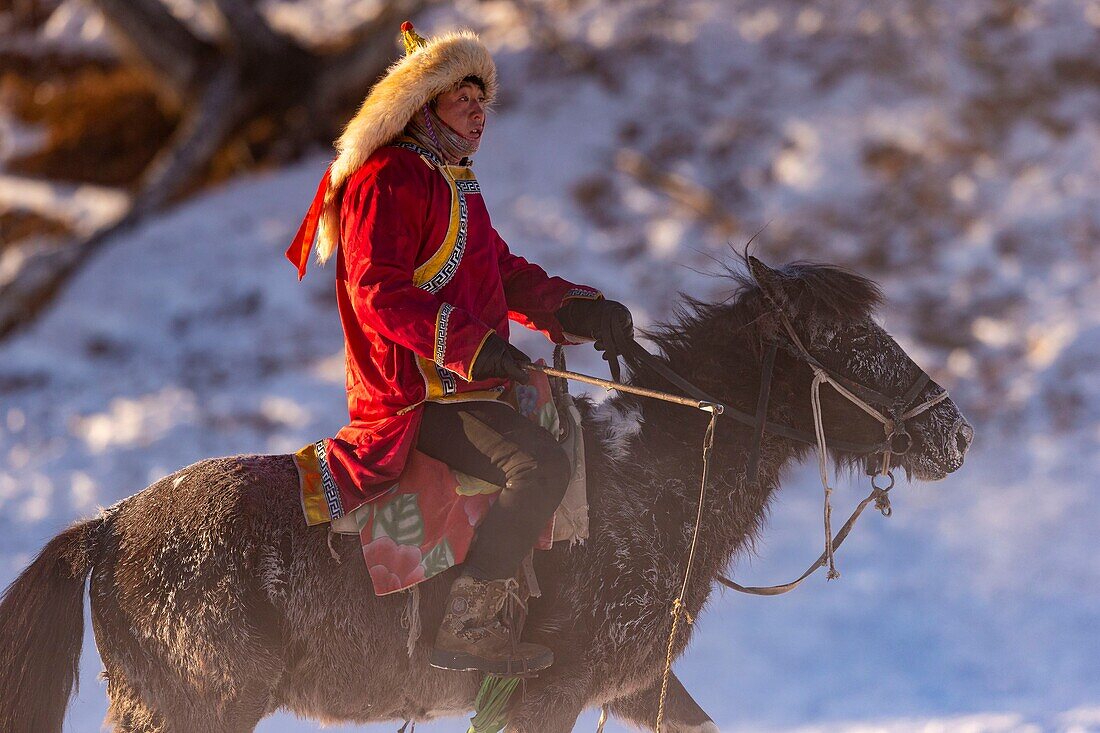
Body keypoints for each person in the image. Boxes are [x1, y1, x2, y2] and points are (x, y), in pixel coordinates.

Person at [285, 22, 633, 675]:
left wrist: (577, 309)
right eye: (461, 98)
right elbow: (377, 294)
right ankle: (470, 623)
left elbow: (500, 273)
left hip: (464, 383)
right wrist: (477, 349)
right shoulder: (387, 180)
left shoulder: (451, 178)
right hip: (414, 394)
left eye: (483, 100)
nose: (478, 112)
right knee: (540, 466)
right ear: (421, 106)